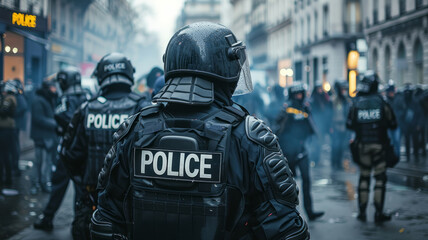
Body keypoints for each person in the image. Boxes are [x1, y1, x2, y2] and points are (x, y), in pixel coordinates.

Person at [91, 22, 308, 240]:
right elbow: (287, 229)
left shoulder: (135, 128)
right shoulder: (249, 135)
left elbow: (105, 221)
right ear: (226, 67)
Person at [60, 53, 150, 240]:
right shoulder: (143, 108)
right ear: (129, 74)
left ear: (100, 76)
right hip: (130, 204)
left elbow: (71, 155)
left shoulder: (87, 108)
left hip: (92, 199)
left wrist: (85, 185)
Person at [34, 66, 88, 231]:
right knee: (80, 189)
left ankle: (48, 219)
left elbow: (63, 117)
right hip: (84, 150)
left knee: (59, 185)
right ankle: (78, 224)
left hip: (68, 148)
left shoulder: (66, 99)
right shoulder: (86, 96)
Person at [346, 72, 397, 223]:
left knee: (364, 177)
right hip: (380, 146)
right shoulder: (382, 102)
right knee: (380, 179)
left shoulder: (356, 102)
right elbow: (393, 123)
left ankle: (362, 213)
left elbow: (349, 124)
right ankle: (378, 214)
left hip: (362, 146)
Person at [275, 83, 324, 221]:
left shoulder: (305, 108)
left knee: (307, 181)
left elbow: (311, 126)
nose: (299, 97)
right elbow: (277, 128)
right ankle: (287, 214)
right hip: (288, 152)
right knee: (288, 185)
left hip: (302, 150)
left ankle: (310, 212)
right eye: (296, 94)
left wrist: (317, 140)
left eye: (300, 94)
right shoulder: (286, 109)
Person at [30, 79, 58, 195]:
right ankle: (36, 183)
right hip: (41, 137)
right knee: (39, 162)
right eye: (52, 87)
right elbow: (38, 118)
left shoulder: (50, 98)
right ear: (47, 88)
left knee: (47, 162)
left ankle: (44, 182)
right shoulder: (39, 100)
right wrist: (55, 123)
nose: (54, 89)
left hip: (49, 136)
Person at [309, 82, 332, 166]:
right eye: (318, 88)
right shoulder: (313, 99)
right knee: (315, 143)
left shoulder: (324, 98)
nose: (320, 90)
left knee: (320, 143)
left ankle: (317, 159)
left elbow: (327, 110)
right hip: (315, 124)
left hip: (322, 124)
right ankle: (314, 159)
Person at [0, 80, 18, 190]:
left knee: (4, 155)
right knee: (5, 155)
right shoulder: (9, 98)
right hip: (7, 130)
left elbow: (3, 111)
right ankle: (6, 178)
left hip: (6, 130)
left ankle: (7, 179)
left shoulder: (9, 99)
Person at [330, 81, 351, 170]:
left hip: (344, 126)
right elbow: (329, 114)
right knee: (335, 145)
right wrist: (330, 126)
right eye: (342, 89)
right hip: (335, 125)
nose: (344, 91)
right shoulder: (333, 100)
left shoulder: (346, 100)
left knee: (342, 145)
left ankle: (339, 163)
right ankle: (334, 163)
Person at [11, 79, 28, 177]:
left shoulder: (19, 96)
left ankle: (15, 167)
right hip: (16, 124)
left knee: (15, 147)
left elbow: (23, 107)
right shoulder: (19, 95)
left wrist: (13, 113)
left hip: (15, 125)